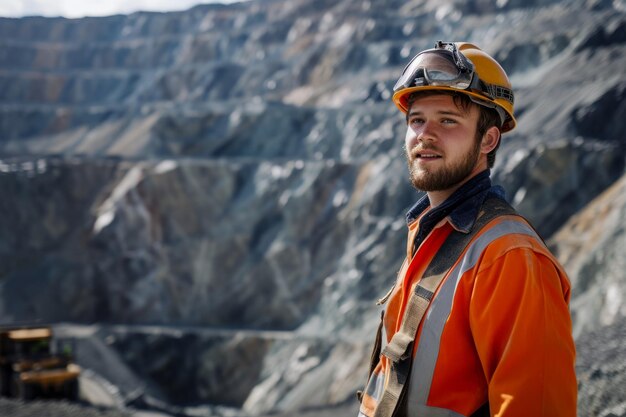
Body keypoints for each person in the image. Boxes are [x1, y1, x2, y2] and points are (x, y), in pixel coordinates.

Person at [357, 41, 577, 417]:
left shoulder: (508, 257)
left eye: (448, 120)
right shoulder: (432, 234)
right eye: (416, 120)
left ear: (488, 140)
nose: (425, 134)